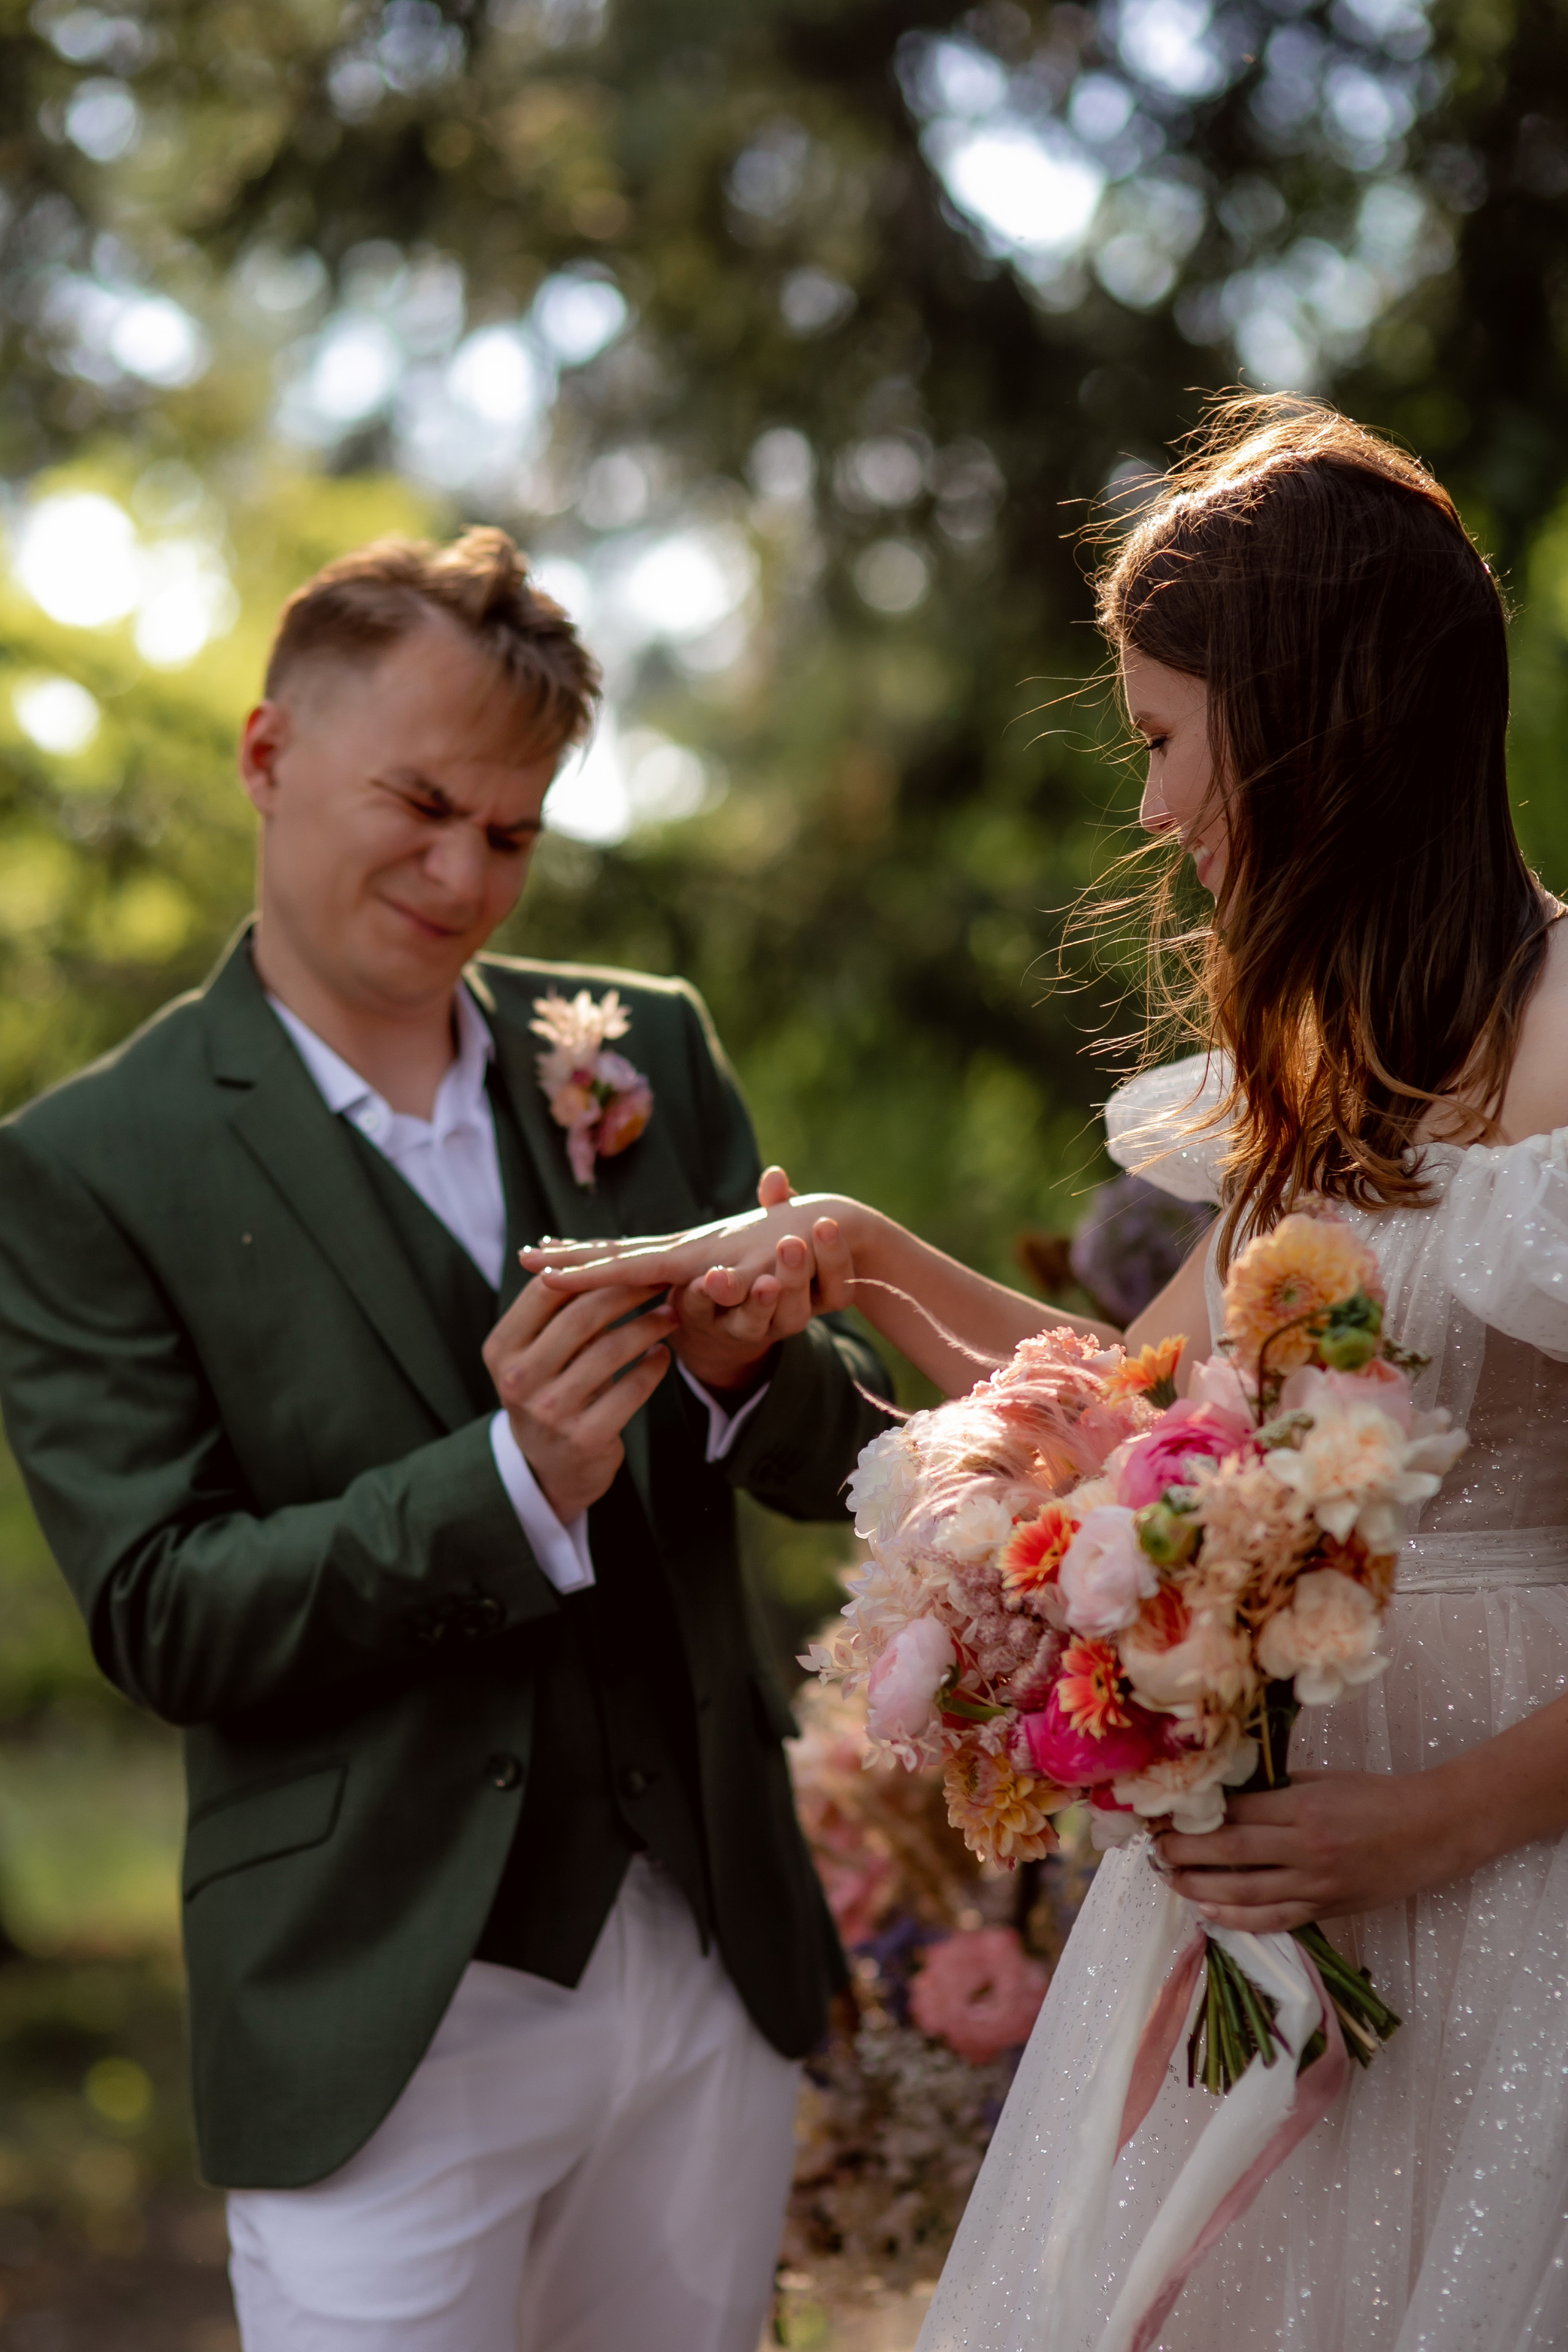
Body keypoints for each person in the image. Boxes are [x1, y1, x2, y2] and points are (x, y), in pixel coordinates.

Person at [527, 396, 1568, 2348]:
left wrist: (1441, 1822)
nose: (1158, 812)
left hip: (1514, 1880)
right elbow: (1147, 1398)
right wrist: (848, 1253)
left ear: (1318, 726)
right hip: (1285, 1874)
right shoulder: (1324, 1075)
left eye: (1172, 740)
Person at [0, 527, 896, 2352]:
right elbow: (167, 1612)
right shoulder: (93, 1166)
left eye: (512, 833)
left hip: (707, 1957)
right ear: (267, 755)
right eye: (420, 804)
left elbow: (836, 1450)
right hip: (380, 1996)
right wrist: (508, 1487)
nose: (462, 872)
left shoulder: (638, 1054)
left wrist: (740, 1372)